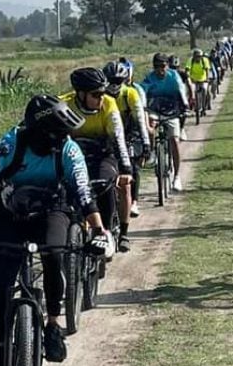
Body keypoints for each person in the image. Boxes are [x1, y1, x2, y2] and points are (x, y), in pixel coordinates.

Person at [0, 95, 111, 366]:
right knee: (0, 286)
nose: (66, 138)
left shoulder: (68, 150)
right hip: (10, 214)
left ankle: (52, 323)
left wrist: (99, 232)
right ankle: (2, 347)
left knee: (53, 255)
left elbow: (84, 194)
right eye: (60, 133)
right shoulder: (9, 145)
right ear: (42, 130)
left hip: (52, 210)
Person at [58, 67, 135, 250]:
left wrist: (126, 169)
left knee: (107, 183)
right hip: (73, 156)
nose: (101, 98)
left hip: (103, 155)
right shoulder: (63, 104)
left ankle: (111, 232)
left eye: (103, 93)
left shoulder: (109, 104)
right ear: (81, 94)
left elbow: (118, 138)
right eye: (96, 94)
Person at [104, 60, 151, 244]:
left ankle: (131, 207)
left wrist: (146, 143)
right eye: (111, 80)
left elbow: (140, 119)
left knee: (130, 171)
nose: (115, 84)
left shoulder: (130, 93)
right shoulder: (100, 96)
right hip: (107, 139)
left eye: (119, 80)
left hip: (128, 135)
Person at [139, 52, 187, 192]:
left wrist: (185, 104)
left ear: (168, 66)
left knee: (174, 140)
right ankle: (153, 151)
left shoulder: (174, 76)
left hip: (172, 110)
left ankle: (177, 177)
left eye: (163, 66)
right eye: (157, 66)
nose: (160, 69)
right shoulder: (149, 78)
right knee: (150, 125)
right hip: (154, 109)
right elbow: (142, 91)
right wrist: (141, 107)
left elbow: (181, 89)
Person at [186, 48, 213, 115]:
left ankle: (204, 107)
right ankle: (191, 104)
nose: (198, 58)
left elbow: (207, 70)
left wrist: (207, 78)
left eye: (200, 56)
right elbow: (187, 70)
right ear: (194, 56)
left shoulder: (205, 60)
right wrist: (188, 76)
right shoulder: (190, 60)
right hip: (193, 79)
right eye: (197, 57)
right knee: (191, 91)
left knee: (204, 90)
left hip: (203, 79)